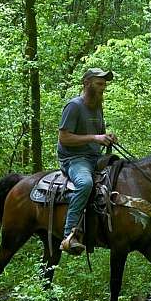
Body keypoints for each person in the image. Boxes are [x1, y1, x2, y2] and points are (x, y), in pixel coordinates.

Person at [58, 68, 117, 255]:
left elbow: (98, 133)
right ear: (87, 83)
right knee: (85, 184)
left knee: (123, 173)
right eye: (99, 84)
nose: (103, 88)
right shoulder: (74, 106)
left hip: (95, 157)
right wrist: (94, 138)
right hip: (74, 159)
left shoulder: (98, 106)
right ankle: (69, 234)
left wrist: (107, 137)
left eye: (104, 84)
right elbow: (64, 138)